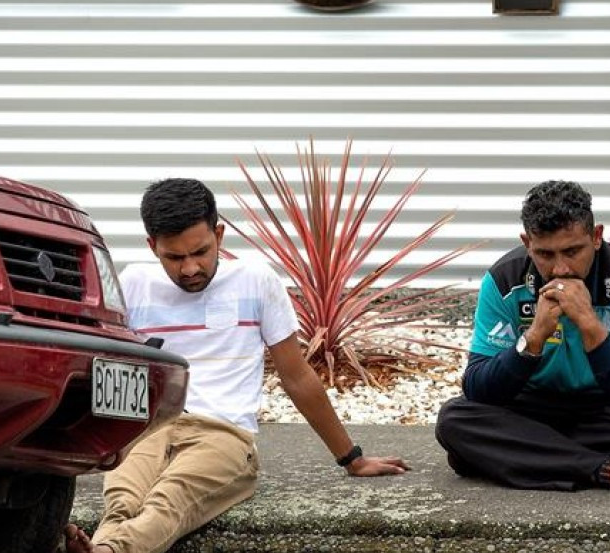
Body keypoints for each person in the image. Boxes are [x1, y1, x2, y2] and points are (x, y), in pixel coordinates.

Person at [65, 178, 408, 553]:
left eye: (200, 251)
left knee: (171, 497)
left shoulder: (255, 280)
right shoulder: (132, 283)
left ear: (220, 234)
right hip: (149, 429)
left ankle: (105, 550)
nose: (190, 268)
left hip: (223, 435)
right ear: (152, 246)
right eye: (174, 258)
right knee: (122, 501)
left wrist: (352, 459)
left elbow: (296, 377)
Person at [434, 180, 610, 497]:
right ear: (527, 244)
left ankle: (513, 456)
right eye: (545, 254)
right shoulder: (503, 280)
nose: (560, 269)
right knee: (453, 421)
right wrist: (533, 338)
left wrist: (589, 325)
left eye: (572, 251)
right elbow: (478, 389)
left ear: (596, 237)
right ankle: (605, 470)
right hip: (537, 406)